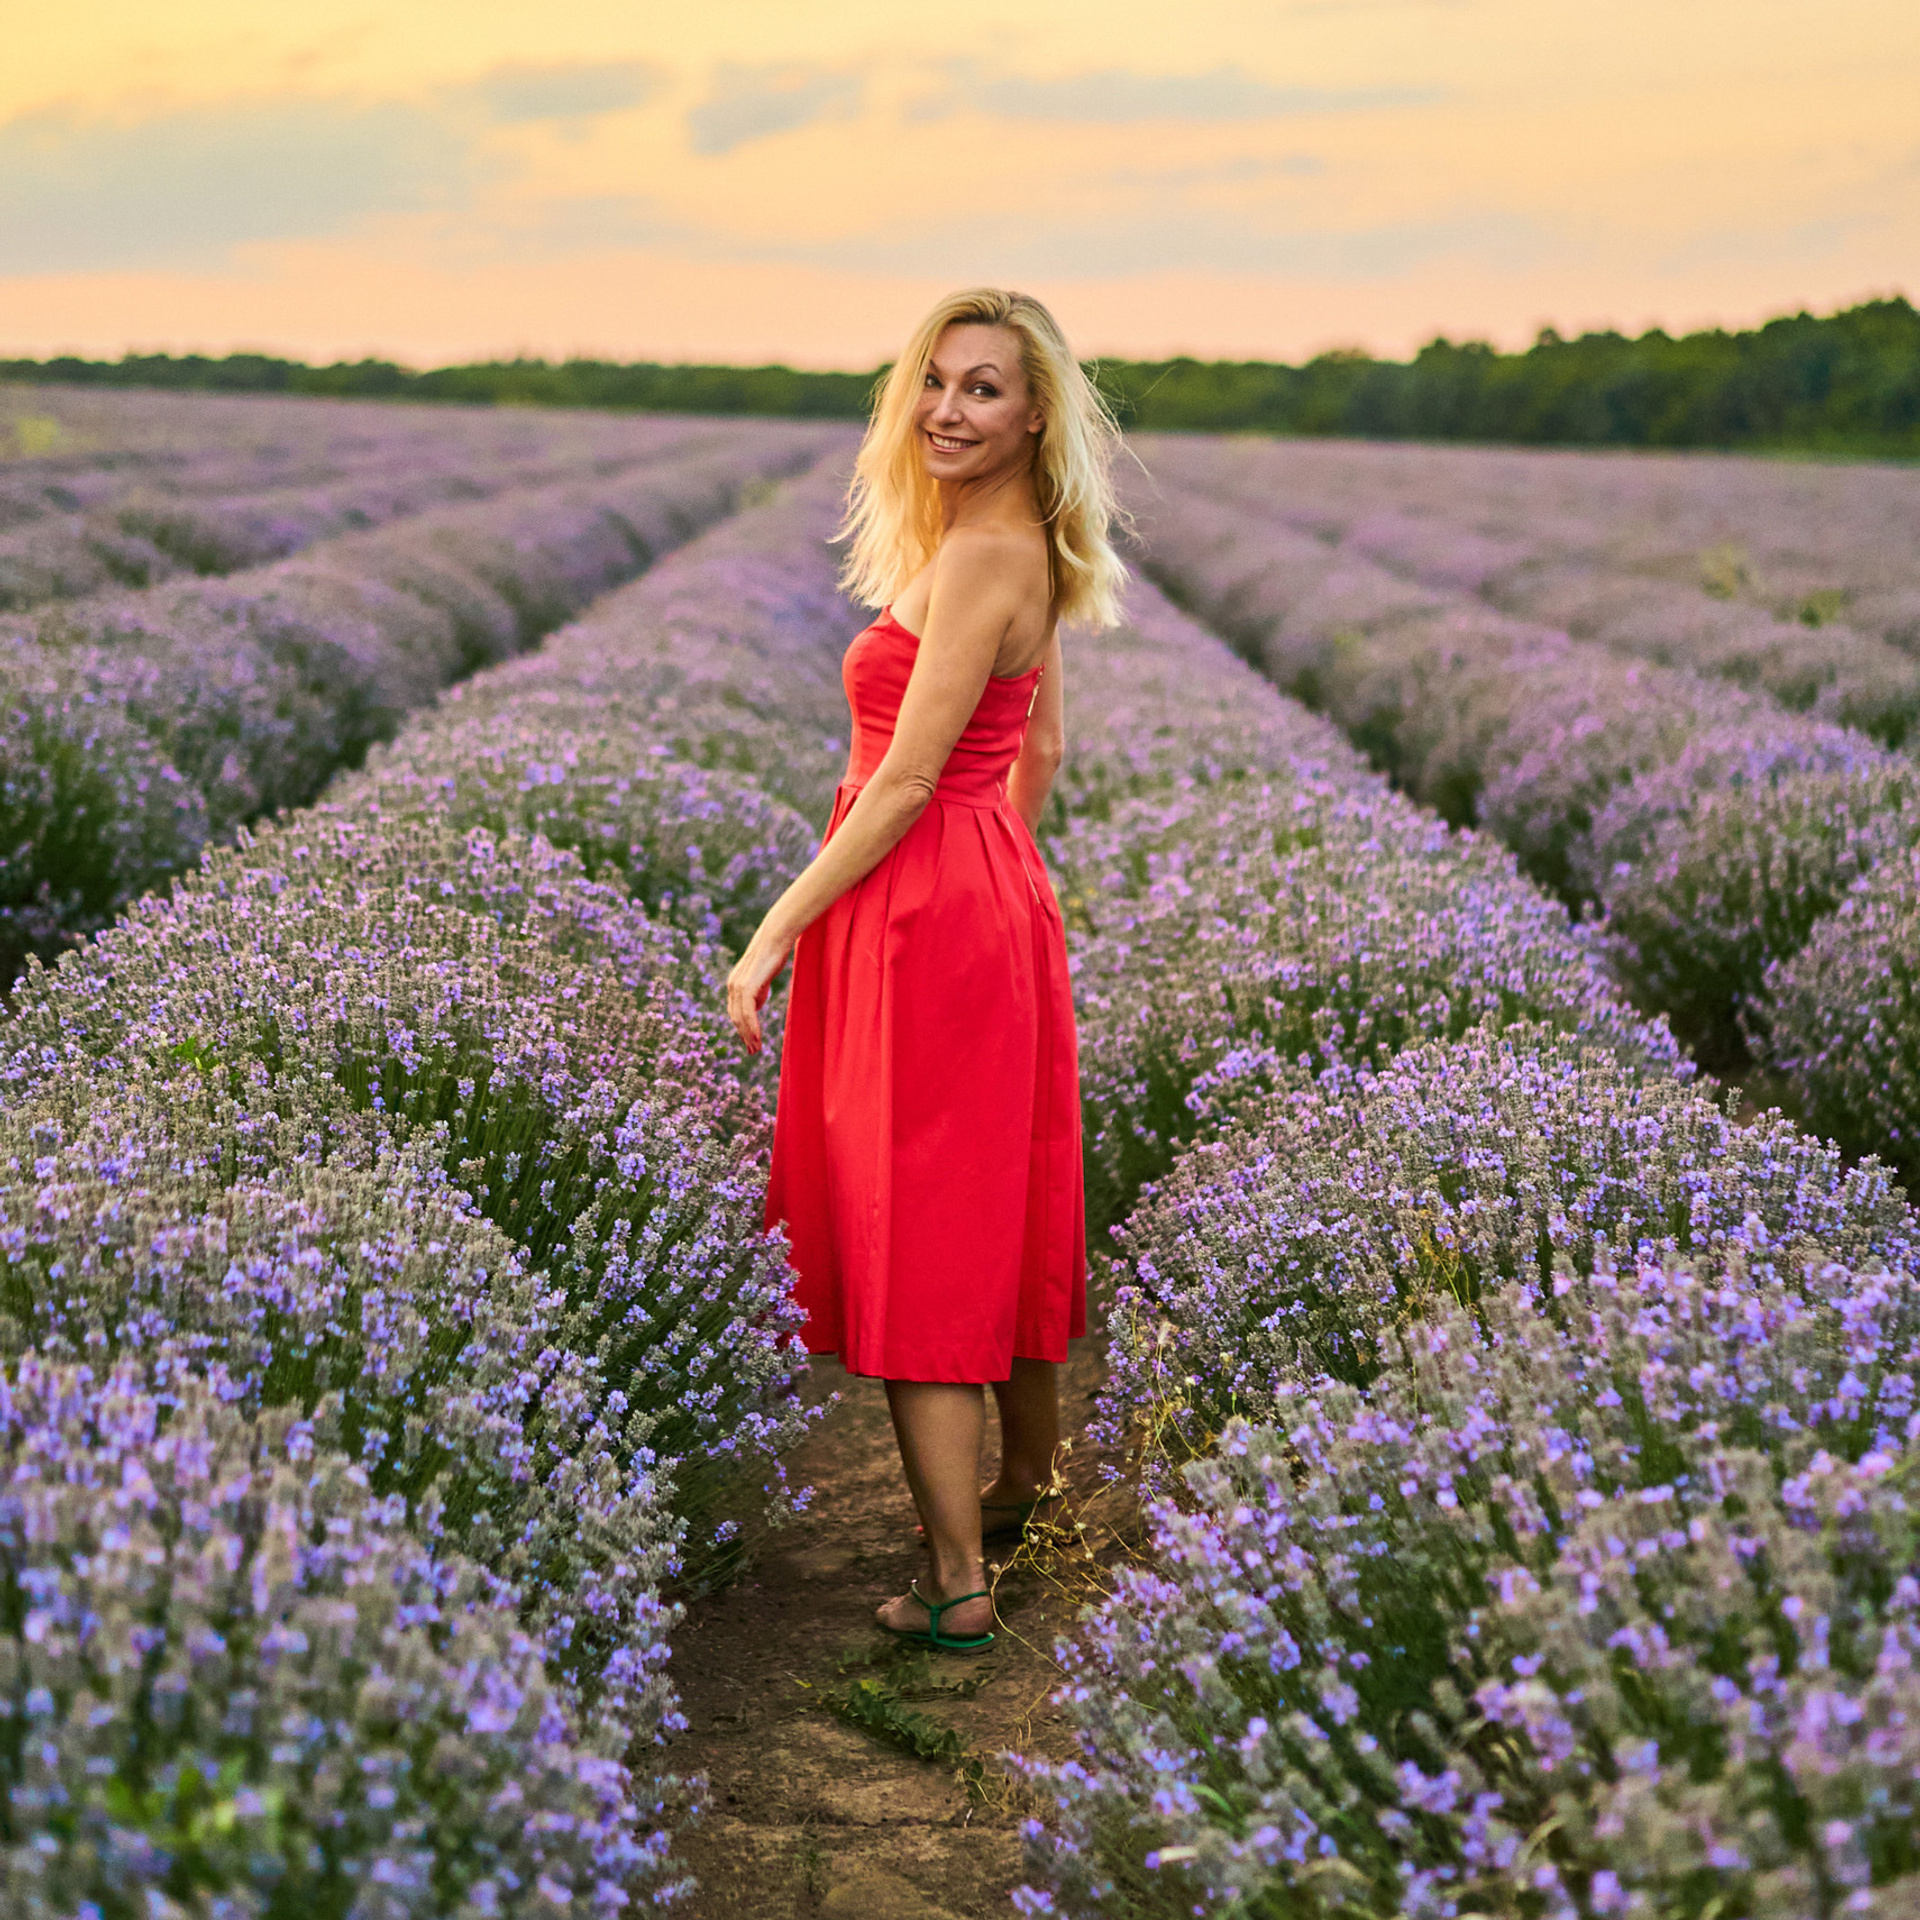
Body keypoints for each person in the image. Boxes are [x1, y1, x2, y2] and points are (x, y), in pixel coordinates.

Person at [723, 287, 1126, 1650]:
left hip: (921, 905)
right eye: (937, 383)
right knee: (988, 1199)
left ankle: (957, 1583)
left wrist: (781, 924)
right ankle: (1029, 1483)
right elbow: (1041, 754)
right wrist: (994, 871)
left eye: (985, 390)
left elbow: (899, 785)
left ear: (1034, 416)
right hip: (970, 894)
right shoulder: (1015, 546)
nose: (950, 410)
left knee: (918, 1233)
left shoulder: (987, 554)